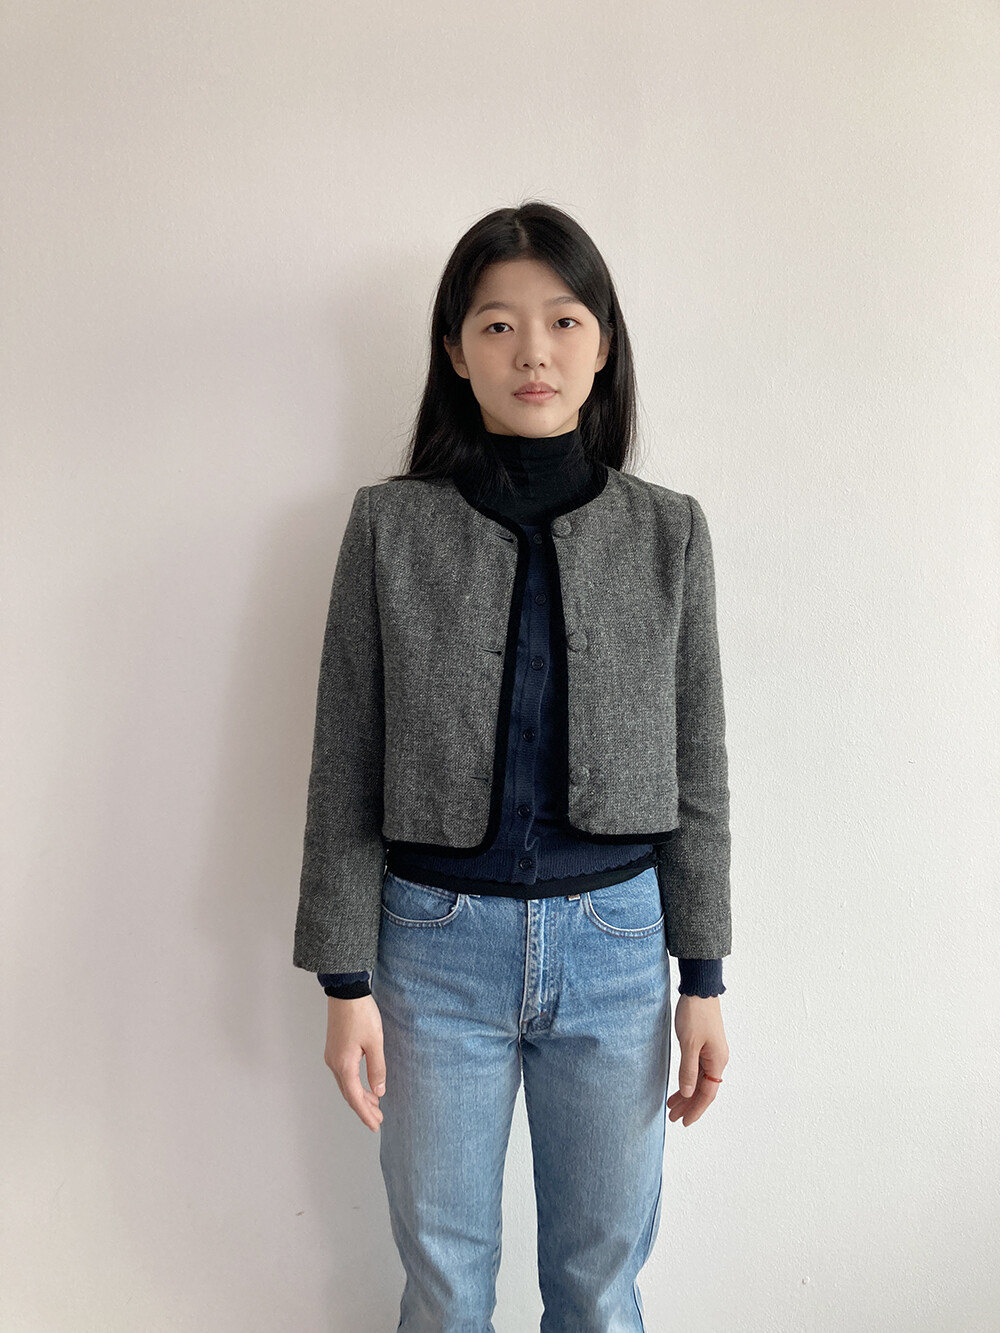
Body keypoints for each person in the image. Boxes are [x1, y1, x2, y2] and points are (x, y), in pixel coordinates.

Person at [293, 200, 732, 1331]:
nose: (532, 350)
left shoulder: (669, 532)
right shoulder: (390, 527)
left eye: (563, 319)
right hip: (432, 948)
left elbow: (698, 769)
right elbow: (346, 755)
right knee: (445, 1285)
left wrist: (703, 978)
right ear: (455, 349)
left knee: (598, 1285)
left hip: (617, 948)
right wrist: (343, 980)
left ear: (603, 343)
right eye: (496, 324)